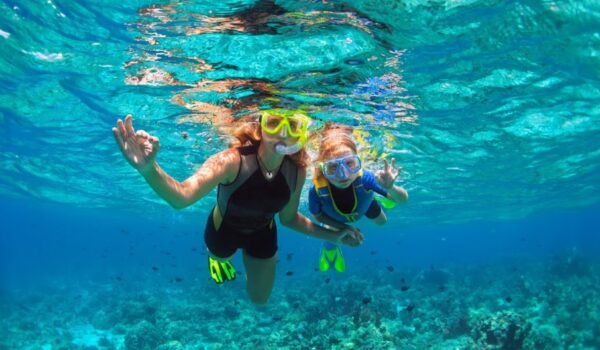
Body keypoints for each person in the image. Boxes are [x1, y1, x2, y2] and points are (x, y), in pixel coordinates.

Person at [112, 111, 362, 304]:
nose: (283, 133)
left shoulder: (297, 170)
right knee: (220, 257)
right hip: (223, 230)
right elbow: (182, 197)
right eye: (274, 123)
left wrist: (335, 235)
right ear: (260, 127)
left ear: (300, 133)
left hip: (264, 233)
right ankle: (215, 258)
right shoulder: (232, 160)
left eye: (293, 126)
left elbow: (288, 219)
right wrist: (148, 168)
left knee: (260, 300)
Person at [308, 125, 408, 273]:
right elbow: (317, 216)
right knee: (332, 234)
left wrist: (391, 188)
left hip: (364, 204)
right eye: (333, 167)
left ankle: (380, 196)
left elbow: (403, 200)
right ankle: (330, 251)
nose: (343, 175)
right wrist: (346, 228)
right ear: (323, 169)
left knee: (382, 222)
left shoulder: (366, 178)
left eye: (350, 164)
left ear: (358, 162)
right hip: (335, 218)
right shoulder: (316, 191)